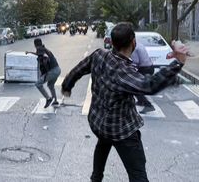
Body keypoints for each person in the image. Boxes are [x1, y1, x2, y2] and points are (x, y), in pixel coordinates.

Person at [61, 22, 188, 182]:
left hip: (99, 123)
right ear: (133, 42)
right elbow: (150, 85)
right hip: (122, 131)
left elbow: (79, 68)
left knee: (103, 143)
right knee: (138, 174)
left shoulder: (99, 55)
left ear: (112, 42)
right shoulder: (123, 72)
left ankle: (96, 178)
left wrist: (67, 85)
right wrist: (178, 63)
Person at [26, 38, 61, 108]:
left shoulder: (40, 49)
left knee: (38, 84)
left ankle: (48, 99)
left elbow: (45, 59)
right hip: (57, 69)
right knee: (50, 85)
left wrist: (46, 73)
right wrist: (30, 52)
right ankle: (55, 101)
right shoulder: (44, 49)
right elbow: (39, 54)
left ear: (35, 45)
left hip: (52, 71)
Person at [131, 42, 156, 114]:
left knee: (135, 87)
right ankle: (141, 101)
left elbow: (135, 61)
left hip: (145, 69)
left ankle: (148, 105)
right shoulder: (139, 44)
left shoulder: (133, 48)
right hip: (149, 67)